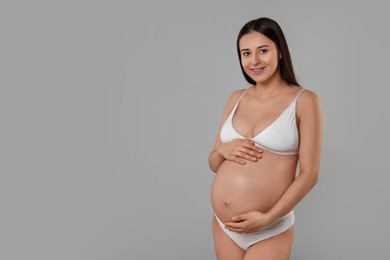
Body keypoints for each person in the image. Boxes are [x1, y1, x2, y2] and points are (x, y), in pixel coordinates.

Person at [208, 17, 322, 260]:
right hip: (224, 226)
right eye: (246, 53)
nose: (255, 61)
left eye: (263, 50)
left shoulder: (304, 101)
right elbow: (213, 162)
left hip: (270, 228)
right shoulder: (236, 98)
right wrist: (221, 152)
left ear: (280, 51)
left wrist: (268, 218)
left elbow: (309, 175)